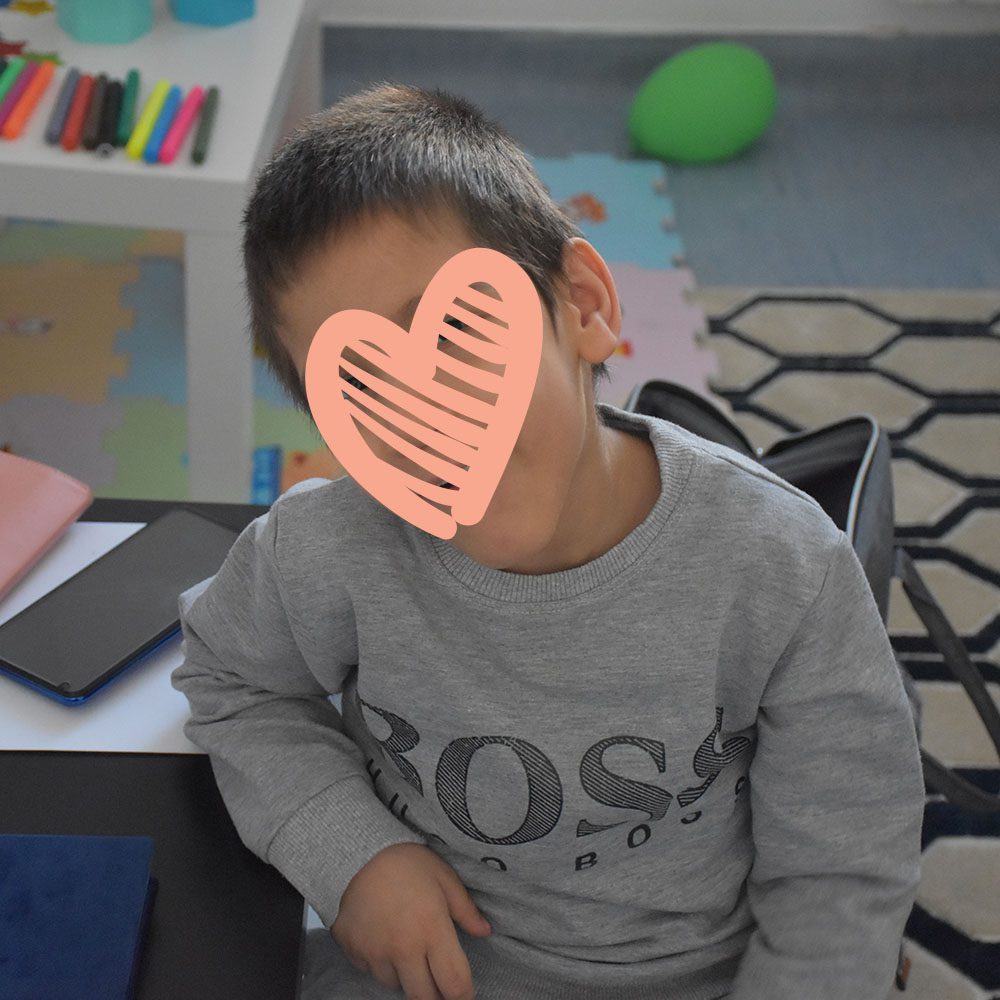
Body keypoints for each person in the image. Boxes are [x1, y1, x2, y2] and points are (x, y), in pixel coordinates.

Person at [171, 82, 925, 1000]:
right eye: (365, 388)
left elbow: (842, 872)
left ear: (583, 305)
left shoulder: (781, 566)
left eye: (457, 336)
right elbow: (231, 679)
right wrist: (355, 855)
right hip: (429, 967)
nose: (430, 418)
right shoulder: (327, 551)